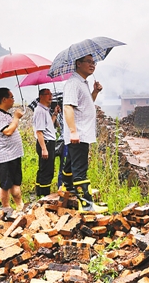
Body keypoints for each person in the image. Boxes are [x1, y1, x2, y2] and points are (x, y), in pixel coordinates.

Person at [62, 54, 108, 213]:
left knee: (71, 164)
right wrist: (73, 132)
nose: (92, 65)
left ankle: (67, 188)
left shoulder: (82, 83)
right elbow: (68, 107)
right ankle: (87, 204)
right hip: (79, 133)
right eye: (88, 62)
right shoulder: (73, 83)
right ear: (78, 64)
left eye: (93, 62)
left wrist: (95, 92)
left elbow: (85, 105)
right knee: (81, 168)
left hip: (82, 132)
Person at [0, 87, 25, 211]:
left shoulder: (5, 114)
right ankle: (6, 209)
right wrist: (16, 117)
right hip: (5, 156)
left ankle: (20, 206)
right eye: (11, 97)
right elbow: (8, 131)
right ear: (4, 99)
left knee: (16, 183)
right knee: (5, 185)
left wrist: (15, 117)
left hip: (14, 154)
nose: (13, 100)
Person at [32, 88, 58, 197]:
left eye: (51, 94)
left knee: (45, 168)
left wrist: (55, 114)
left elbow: (48, 126)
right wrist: (44, 148)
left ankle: (40, 193)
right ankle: (44, 195)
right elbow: (39, 132)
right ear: (41, 96)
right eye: (48, 94)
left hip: (48, 143)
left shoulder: (45, 110)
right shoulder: (40, 111)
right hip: (45, 143)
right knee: (46, 171)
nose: (50, 96)